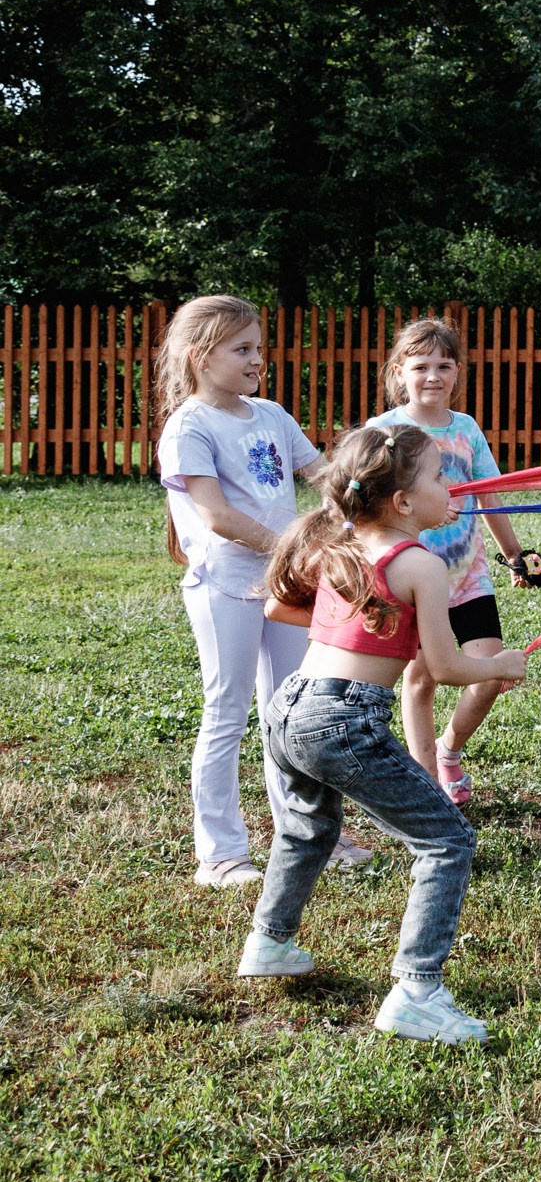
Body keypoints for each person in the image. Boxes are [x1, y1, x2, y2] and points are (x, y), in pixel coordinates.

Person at [240, 424, 529, 1041]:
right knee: (446, 841)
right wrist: (500, 665)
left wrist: (364, 619)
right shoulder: (420, 563)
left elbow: (277, 607)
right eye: (436, 477)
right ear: (403, 502)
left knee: (305, 831)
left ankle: (270, 941)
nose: (450, 486)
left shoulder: (341, 546)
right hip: (345, 717)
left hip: (291, 707)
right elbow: (448, 668)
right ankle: (418, 991)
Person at [157, 295, 371, 888]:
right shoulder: (189, 427)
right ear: (201, 356)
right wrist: (294, 546)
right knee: (226, 713)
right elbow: (218, 515)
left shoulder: (272, 414)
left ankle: (306, 835)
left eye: (258, 347)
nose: (258, 359)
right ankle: (220, 855)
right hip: (225, 586)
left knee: (291, 710)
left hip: (284, 583)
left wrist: (369, 488)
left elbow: (320, 473)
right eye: (242, 348)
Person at [373, 317, 541, 806]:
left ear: (457, 372)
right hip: (411, 577)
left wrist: (515, 556)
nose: (433, 376)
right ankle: (428, 786)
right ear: (398, 372)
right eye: (421, 366)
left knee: (491, 673)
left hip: (468, 574)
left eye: (444, 366)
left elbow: (489, 497)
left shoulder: (466, 430)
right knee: (421, 678)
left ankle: (448, 751)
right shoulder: (383, 432)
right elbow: (364, 503)